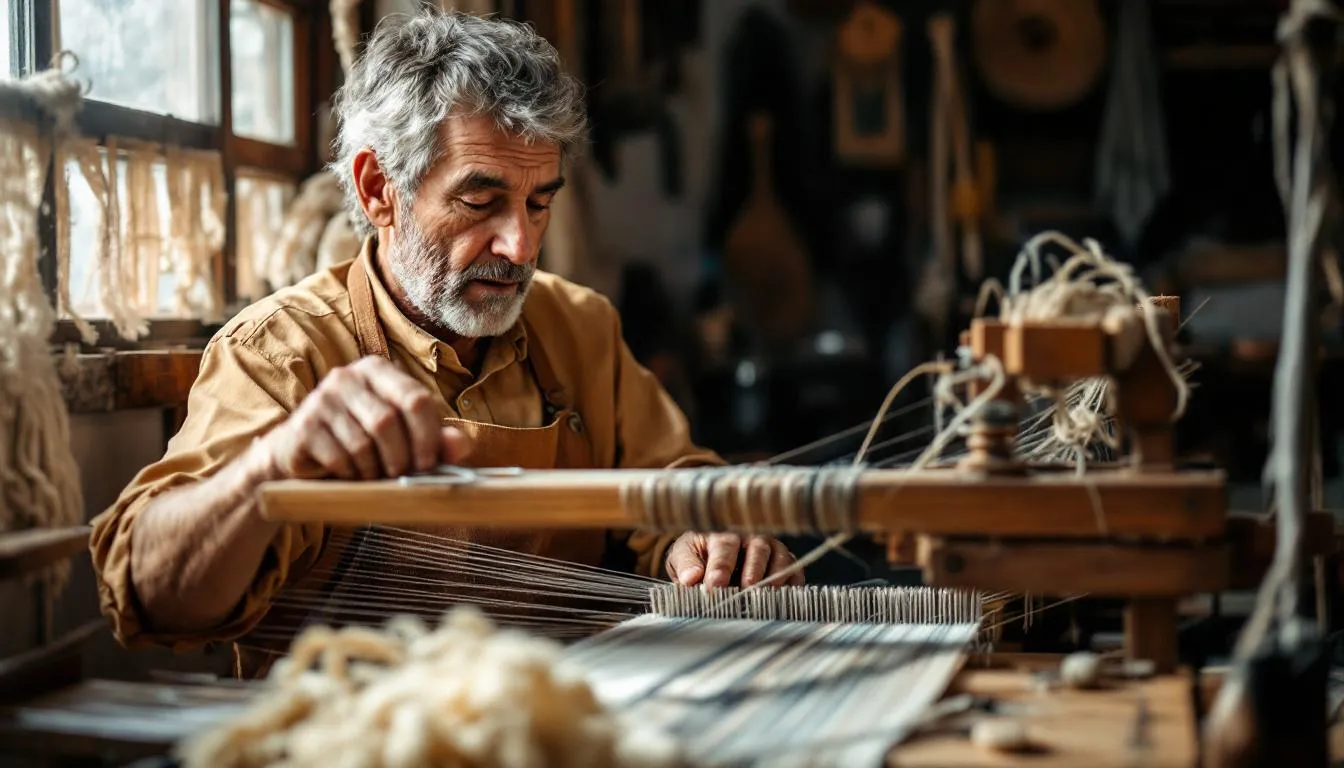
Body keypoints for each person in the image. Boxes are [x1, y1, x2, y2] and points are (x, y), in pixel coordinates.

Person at [88, 10, 801, 674]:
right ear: (378, 190)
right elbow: (149, 596)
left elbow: (674, 487)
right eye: (480, 201)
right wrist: (268, 469)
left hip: (556, 729)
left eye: (539, 201)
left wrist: (704, 546)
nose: (520, 245)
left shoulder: (579, 327)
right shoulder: (281, 352)